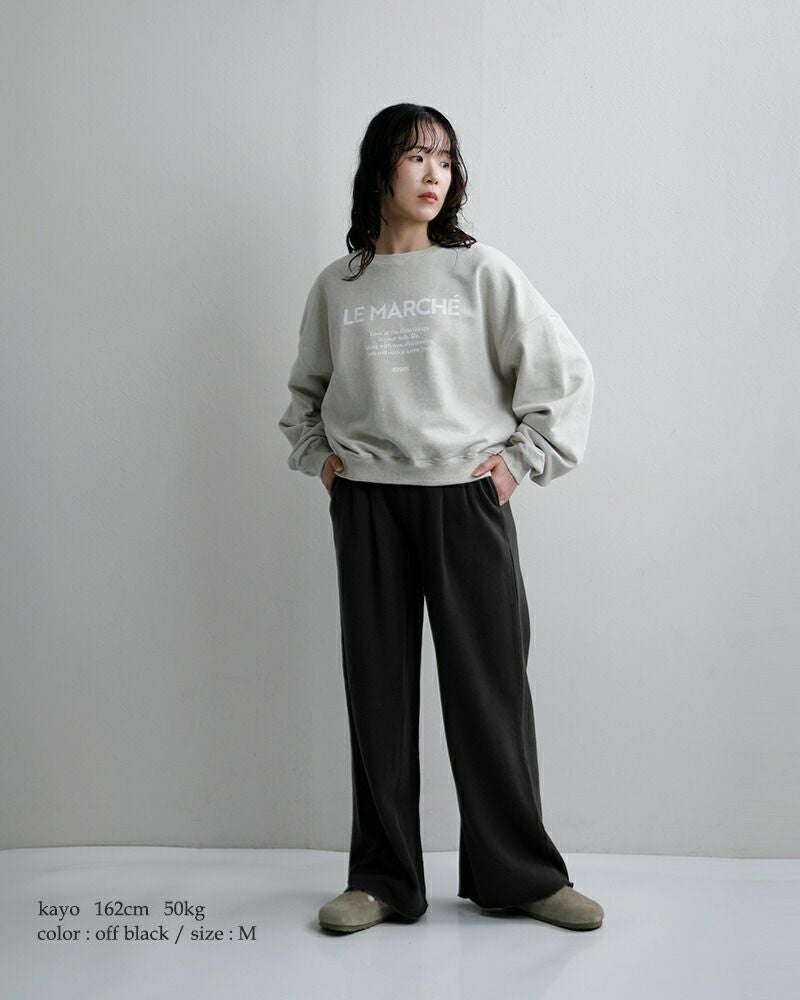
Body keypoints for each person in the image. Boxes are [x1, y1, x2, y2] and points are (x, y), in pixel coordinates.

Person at [278, 103, 603, 934]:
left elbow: (565, 374)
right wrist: (324, 461)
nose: (434, 174)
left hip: (465, 499)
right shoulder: (339, 286)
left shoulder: (479, 272)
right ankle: (383, 879)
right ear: (379, 169)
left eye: (446, 160)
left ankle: (518, 874)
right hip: (369, 504)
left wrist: (519, 464)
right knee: (377, 695)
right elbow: (305, 396)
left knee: (489, 691)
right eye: (416, 156)